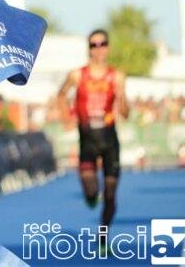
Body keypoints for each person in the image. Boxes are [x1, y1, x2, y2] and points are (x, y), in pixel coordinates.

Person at [57, 28, 127, 251]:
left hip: (109, 140)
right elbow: (61, 94)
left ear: (108, 47)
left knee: (110, 193)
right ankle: (90, 196)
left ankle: (103, 237)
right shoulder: (78, 75)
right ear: (89, 49)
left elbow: (125, 112)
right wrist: (66, 116)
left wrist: (121, 95)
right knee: (90, 192)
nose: (99, 49)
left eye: (102, 43)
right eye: (94, 45)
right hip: (87, 140)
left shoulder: (116, 76)